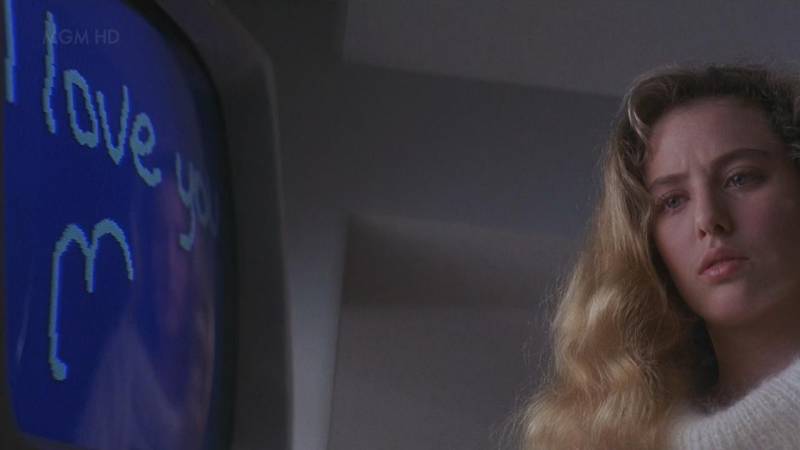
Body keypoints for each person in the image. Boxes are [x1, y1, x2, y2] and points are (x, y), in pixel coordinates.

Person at [518, 63, 800, 449]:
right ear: (646, 242)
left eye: (739, 178)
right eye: (672, 201)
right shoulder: (608, 439)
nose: (708, 219)